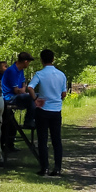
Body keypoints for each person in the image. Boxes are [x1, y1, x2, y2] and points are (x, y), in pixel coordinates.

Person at [30, 48, 67, 176]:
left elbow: (30, 87)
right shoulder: (61, 74)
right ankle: (57, 168)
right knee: (56, 139)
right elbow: (63, 93)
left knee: (42, 139)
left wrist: (35, 98)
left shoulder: (40, 74)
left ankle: (44, 167)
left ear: (41, 60)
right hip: (56, 110)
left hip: (43, 109)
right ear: (53, 59)